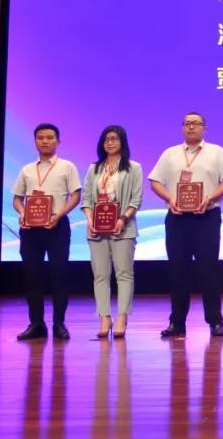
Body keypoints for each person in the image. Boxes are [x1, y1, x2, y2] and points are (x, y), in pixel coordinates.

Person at [148, 112, 223, 338]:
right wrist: (170, 199)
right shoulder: (170, 153)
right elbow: (155, 181)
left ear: (204, 128)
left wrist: (210, 198)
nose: (191, 127)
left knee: (209, 270)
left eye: (196, 123)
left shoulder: (217, 152)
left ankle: (215, 321)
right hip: (177, 218)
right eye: (187, 123)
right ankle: (177, 322)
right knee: (178, 271)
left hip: (207, 217)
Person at [11, 123, 82, 340]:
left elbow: (75, 196)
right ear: (35, 141)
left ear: (58, 141)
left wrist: (58, 215)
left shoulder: (67, 166)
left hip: (57, 226)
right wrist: (23, 213)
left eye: (50, 137)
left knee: (59, 275)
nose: (45, 141)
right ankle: (36, 324)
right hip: (30, 229)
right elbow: (17, 198)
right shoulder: (27, 169)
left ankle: (59, 324)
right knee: (32, 276)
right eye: (40, 138)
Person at [81, 125, 143, 339]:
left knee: (124, 274)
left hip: (123, 228)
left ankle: (122, 317)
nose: (110, 142)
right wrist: (90, 220)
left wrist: (123, 218)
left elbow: (136, 199)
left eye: (114, 139)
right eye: (106, 139)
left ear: (122, 142)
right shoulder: (94, 169)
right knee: (100, 275)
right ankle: (104, 317)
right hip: (96, 229)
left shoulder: (133, 168)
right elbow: (86, 199)